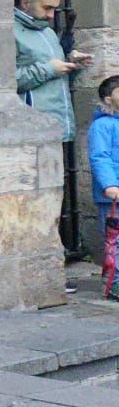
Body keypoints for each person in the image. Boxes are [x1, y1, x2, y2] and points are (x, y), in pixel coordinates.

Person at [15, 0, 88, 281]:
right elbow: (6, 79)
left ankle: (50, 272)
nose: (51, 16)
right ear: (25, 3)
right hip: (30, 130)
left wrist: (70, 61)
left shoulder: (45, 31)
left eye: (54, 9)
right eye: (47, 8)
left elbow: (48, 68)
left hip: (57, 127)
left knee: (52, 205)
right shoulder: (9, 31)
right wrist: (49, 69)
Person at [87, 75, 119, 301]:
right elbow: (100, 157)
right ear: (109, 98)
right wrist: (109, 184)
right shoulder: (102, 126)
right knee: (115, 242)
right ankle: (115, 282)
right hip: (113, 197)